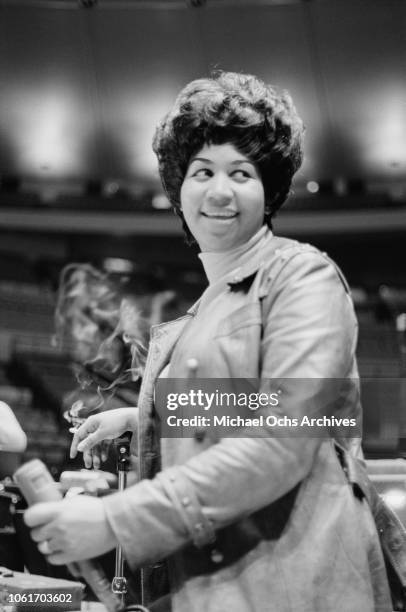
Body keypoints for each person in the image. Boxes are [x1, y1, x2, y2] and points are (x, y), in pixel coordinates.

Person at [24, 72, 391, 611]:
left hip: (303, 588)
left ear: (268, 191)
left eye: (241, 172)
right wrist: (142, 416)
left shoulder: (303, 275)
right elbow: (242, 401)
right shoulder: (201, 313)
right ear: (180, 188)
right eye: (203, 171)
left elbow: (287, 433)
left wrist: (115, 519)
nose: (219, 190)